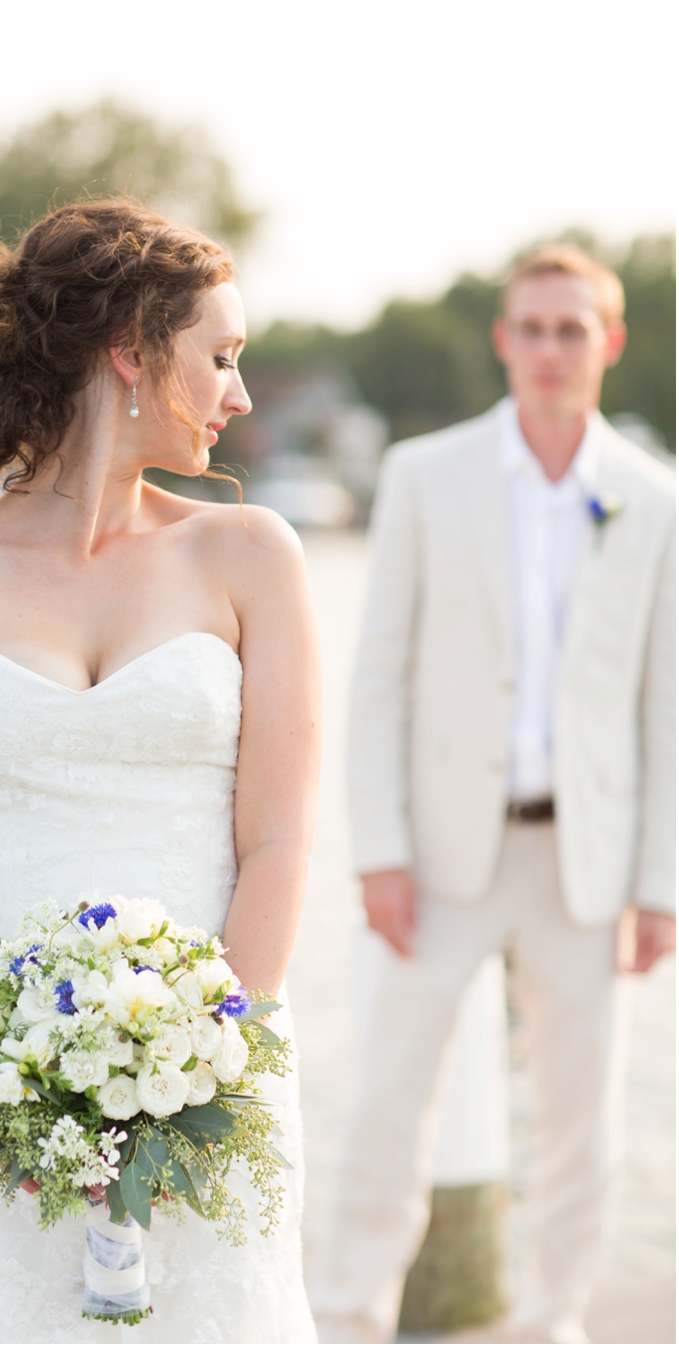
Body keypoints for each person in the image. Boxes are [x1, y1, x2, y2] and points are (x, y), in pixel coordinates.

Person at [0, 200, 321, 1345]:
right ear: (131, 355)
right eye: (221, 356)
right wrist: (4, 1096)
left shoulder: (252, 557)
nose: (239, 393)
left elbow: (283, 844)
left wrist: (200, 1068)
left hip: (215, 1087)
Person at [315, 244, 675, 1344]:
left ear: (609, 343)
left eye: (575, 329)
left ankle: (551, 1322)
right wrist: (378, 849)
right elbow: (377, 678)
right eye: (534, 327)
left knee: (581, 1129)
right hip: (439, 858)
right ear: (504, 339)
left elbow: (665, 709)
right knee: (388, 1108)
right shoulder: (427, 478)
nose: (552, 349)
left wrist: (660, 882)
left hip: (588, 863)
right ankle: (350, 1318)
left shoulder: (657, 501)